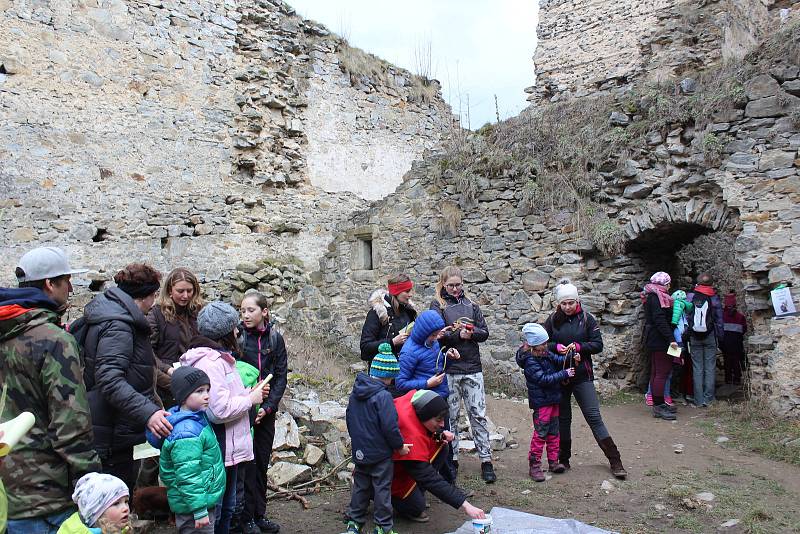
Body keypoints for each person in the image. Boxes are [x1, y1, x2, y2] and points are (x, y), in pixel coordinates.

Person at [0, 247, 101, 533]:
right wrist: (91, 479)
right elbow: (71, 422)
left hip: (6, 490)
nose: (70, 287)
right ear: (49, 284)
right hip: (48, 495)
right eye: (66, 280)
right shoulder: (54, 341)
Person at [80, 263, 171, 492]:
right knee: (113, 500)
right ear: (145, 296)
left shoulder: (116, 315)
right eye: (154, 295)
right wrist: (148, 412)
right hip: (110, 430)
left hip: (116, 426)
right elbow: (109, 379)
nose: (155, 302)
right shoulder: (118, 325)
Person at [183, 301, 268, 534]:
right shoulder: (211, 364)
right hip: (220, 448)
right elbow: (218, 410)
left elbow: (227, 397)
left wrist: (250, 395)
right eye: (234, 328)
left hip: (231, 448)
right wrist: (250, 400)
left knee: (229, 509)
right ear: (225, 333)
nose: (238, 333)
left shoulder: (222, 359)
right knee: (220, 511)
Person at [544, 279, 627, 479]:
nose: (567, 307)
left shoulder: (587, 319)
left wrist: (579, 347)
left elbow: (598, 345)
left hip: (582, 375)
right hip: (560, 375)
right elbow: (544, 343)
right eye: (563, 303)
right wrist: (557, 348)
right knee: (563, 419)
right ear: (559, 303)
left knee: (593, 416)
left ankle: (615, 460)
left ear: (577, 301)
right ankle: (563, 459)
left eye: (571, 303)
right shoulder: (553, 320)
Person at [429, 266, 496, 483]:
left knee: (478, 414)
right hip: (449, 368)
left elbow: (484, 333)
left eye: (458, 285)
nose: (455, 289)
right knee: (452, 417)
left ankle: (486, 460)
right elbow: (434, 336)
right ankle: (453, 459)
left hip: (472, 367)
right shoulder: (438, 305)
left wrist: (472, 333)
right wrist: (450, 334)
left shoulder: (472, 305)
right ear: (443, 285)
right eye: (451, 285)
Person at [146, 367, 226, 534]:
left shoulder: (195, 418)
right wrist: (199, 510)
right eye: (199, 391)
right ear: (183, 395)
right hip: (194, 507)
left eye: (207, 390)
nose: (207, 395)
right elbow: (187, 474)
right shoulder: (186, 431)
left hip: (200, 500)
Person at [391, 390, 486, 523]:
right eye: (438, 420)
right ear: (424, 416)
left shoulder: (416, 403)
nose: (442, 425)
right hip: (388, 477)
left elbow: (422, 429)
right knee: (417, 507)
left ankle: (417, 489)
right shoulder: (411, 437)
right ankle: (382, 495)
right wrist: (466, 505)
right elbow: (431, 479)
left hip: (403, 465)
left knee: (442, 444)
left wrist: (439, 435)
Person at [344, 343, 410, 534]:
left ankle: (354, 522)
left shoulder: (356, 392)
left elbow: (350, 418)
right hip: (380, 454)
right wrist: (399, 446)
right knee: (382, 489)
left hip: (360, 450)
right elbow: (390, 427)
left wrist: (357, 441)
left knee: (361, 487)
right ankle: (383, 526)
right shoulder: (383, 396)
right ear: (389, 376)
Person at [238, 291, 287, 534]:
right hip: (242, 410)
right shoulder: (237, 338)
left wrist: (267, 408)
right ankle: (245, 518)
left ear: (264, 312)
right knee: (245, 465)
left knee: (261, 463)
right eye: (243, 311)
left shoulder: (275, 339)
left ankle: (259, 514)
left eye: (251, 310)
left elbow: (280, 377)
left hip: (265, 414)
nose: (245, 315)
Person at [395, 309, 460, 483]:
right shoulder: (409, 352)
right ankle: (438, 484)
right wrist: (427, 384)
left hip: (438, 400)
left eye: (436, 334)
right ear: (424, 332)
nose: (435, 338)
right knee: (437, 443)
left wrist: (449, 357)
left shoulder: (432, 344)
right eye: (433, 335)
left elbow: (435, 365)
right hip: (425, 407)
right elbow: (400, 383)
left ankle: (448, 482)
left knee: (444, 442)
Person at [516, 323, 576, 482]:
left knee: (554, 432)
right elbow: (543, 379)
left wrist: (570, 357)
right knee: (540, 433)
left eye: (545, 342)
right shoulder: (530, 361)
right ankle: (534, 466)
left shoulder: (545, 353)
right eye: (542, 343)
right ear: (533, 345)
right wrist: (564, 374)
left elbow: (557, 359)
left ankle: (553, 462)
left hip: (553, 399)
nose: (546, 346)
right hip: (542, 403)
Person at [147, 267, 205, 408]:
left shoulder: (198, 312)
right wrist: (167, 370)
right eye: (180, 291)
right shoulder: (156, 314)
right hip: (166, 383)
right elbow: (148, 351)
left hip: (197, 380)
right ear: (169, 291)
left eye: (189, 291)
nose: (185, 296)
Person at [642, 272, 680, 421]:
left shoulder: (651, 295)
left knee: (656, 371)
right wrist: (671, 339)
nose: (669, 287)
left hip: (655, 338)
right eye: (668, 283)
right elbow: (659, 320)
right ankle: (659, 406)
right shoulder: (657, 297)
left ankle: (659, 403)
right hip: (660, 340)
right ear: (664, 284)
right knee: (661, 372)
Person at [645, 289, 692, 407]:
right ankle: (663, 398)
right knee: (666, 371)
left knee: (658, 371)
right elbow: (670, 324)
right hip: (673, 342)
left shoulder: (656, 299)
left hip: (667, 341)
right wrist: (672, 340)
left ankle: (654, 396)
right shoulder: (676, 305)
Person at [359, 274, 417, 366]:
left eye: (411, 290)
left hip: (405, 369)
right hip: (382, 371)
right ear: (397, 292)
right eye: (407, 291)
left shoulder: (409, 312)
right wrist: (392, 342)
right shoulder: (377, 313)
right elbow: (365, 348)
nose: (411, 295)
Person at [686, 273, 724, 407]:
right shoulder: (714, 298)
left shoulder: (690, 296)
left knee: (697, 368)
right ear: (711, 283)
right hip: (710, 336)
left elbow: (686, 316)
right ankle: (709, 399)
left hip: (694, 337)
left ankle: (698, 400)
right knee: (710, 367)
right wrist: (720, 337)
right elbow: (719, 320)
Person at [58, 473, 131, 534]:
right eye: (116, 503)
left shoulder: (122, 529)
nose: (125, 508)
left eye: (126, 501)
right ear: (96, 512)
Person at [721, 293, 747, 385]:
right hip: (737, 342)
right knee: (736, 360)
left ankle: (728, 378)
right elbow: (744, 329)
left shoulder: (722, 316)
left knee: (727, 360)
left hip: (725, 342)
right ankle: (737, 378)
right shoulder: (740, 317)